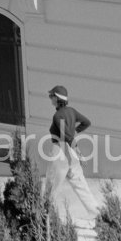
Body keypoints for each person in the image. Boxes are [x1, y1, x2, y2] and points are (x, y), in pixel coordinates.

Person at [45, 85, 100, 218]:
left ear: (57, 98)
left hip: (60, 153)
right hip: (72, 155)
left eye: (51, 96)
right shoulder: (72, 111)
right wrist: (76, 132)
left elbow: (68, 136)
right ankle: (98, 215)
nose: (50, 98)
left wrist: (81, 154)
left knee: (51, 189)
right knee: (82, 187)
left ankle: (44, 218)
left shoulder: (58, 116)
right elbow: (87, 122)